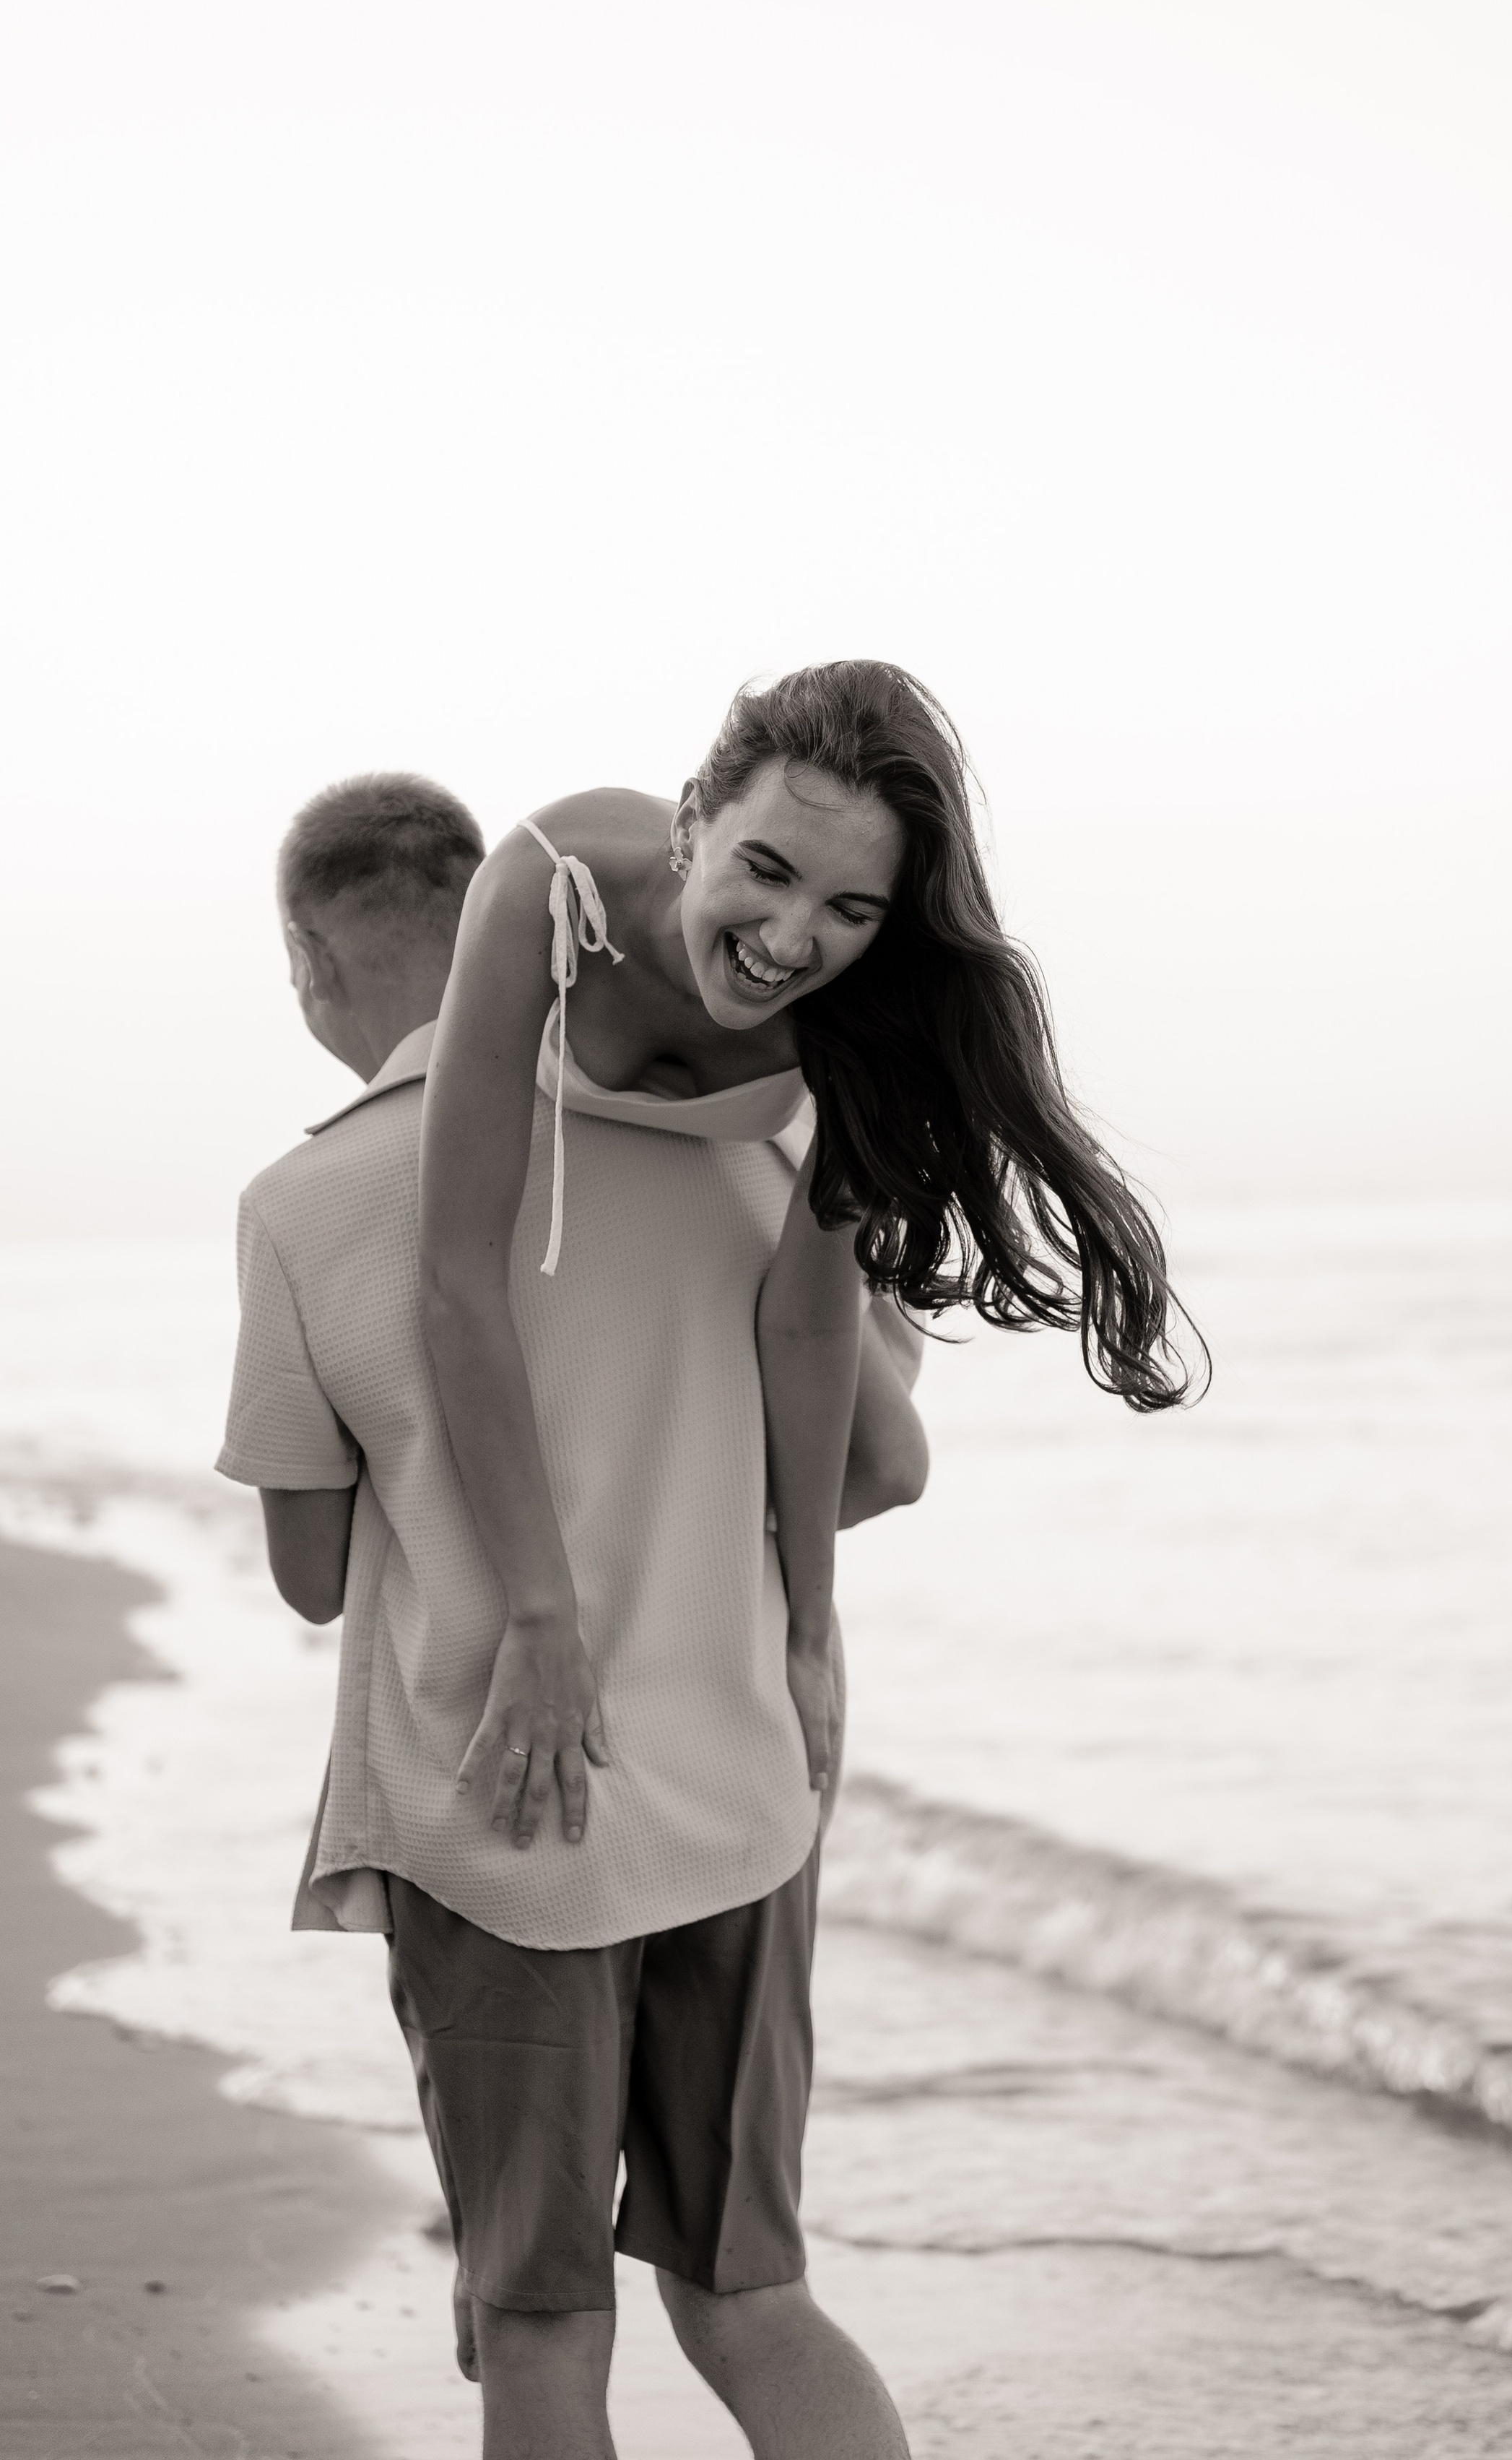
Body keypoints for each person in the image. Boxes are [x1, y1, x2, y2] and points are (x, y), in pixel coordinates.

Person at [219, 771, 926, 2460]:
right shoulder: (733, 1134)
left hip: (502, 1814)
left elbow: (314, 1576)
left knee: (540, 2334)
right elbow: (878, 1466)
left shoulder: (305, 1205)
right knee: (751, 2300)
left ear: (309, 957)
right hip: (743, 1784)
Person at [421, 659, 1198, 1876]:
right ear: (692, 822)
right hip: (609, 1158)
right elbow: (457, 1276)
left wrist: (805, 1629)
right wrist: (539, 1610)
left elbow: (806, 1332)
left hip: (774, 1171)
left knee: (889, 1464)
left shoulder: (858, 1020)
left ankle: (724, 1601)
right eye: (766, 871)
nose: (789, 940)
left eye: (851, 909)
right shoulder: (547, 880)